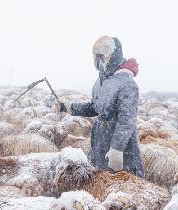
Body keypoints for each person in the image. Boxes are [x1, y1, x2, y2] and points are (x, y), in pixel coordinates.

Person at [56, 35, 144, 177]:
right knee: (99, 182)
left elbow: (127, 120)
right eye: (97, 57)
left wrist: (117, 149)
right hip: (100, 141)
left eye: (103, 56)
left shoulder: (127, 82)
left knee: (123, 185)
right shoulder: (101, 81)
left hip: (120, 147)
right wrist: (68, 107)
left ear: (113, 55)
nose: (100, 61)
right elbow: (94, 107)